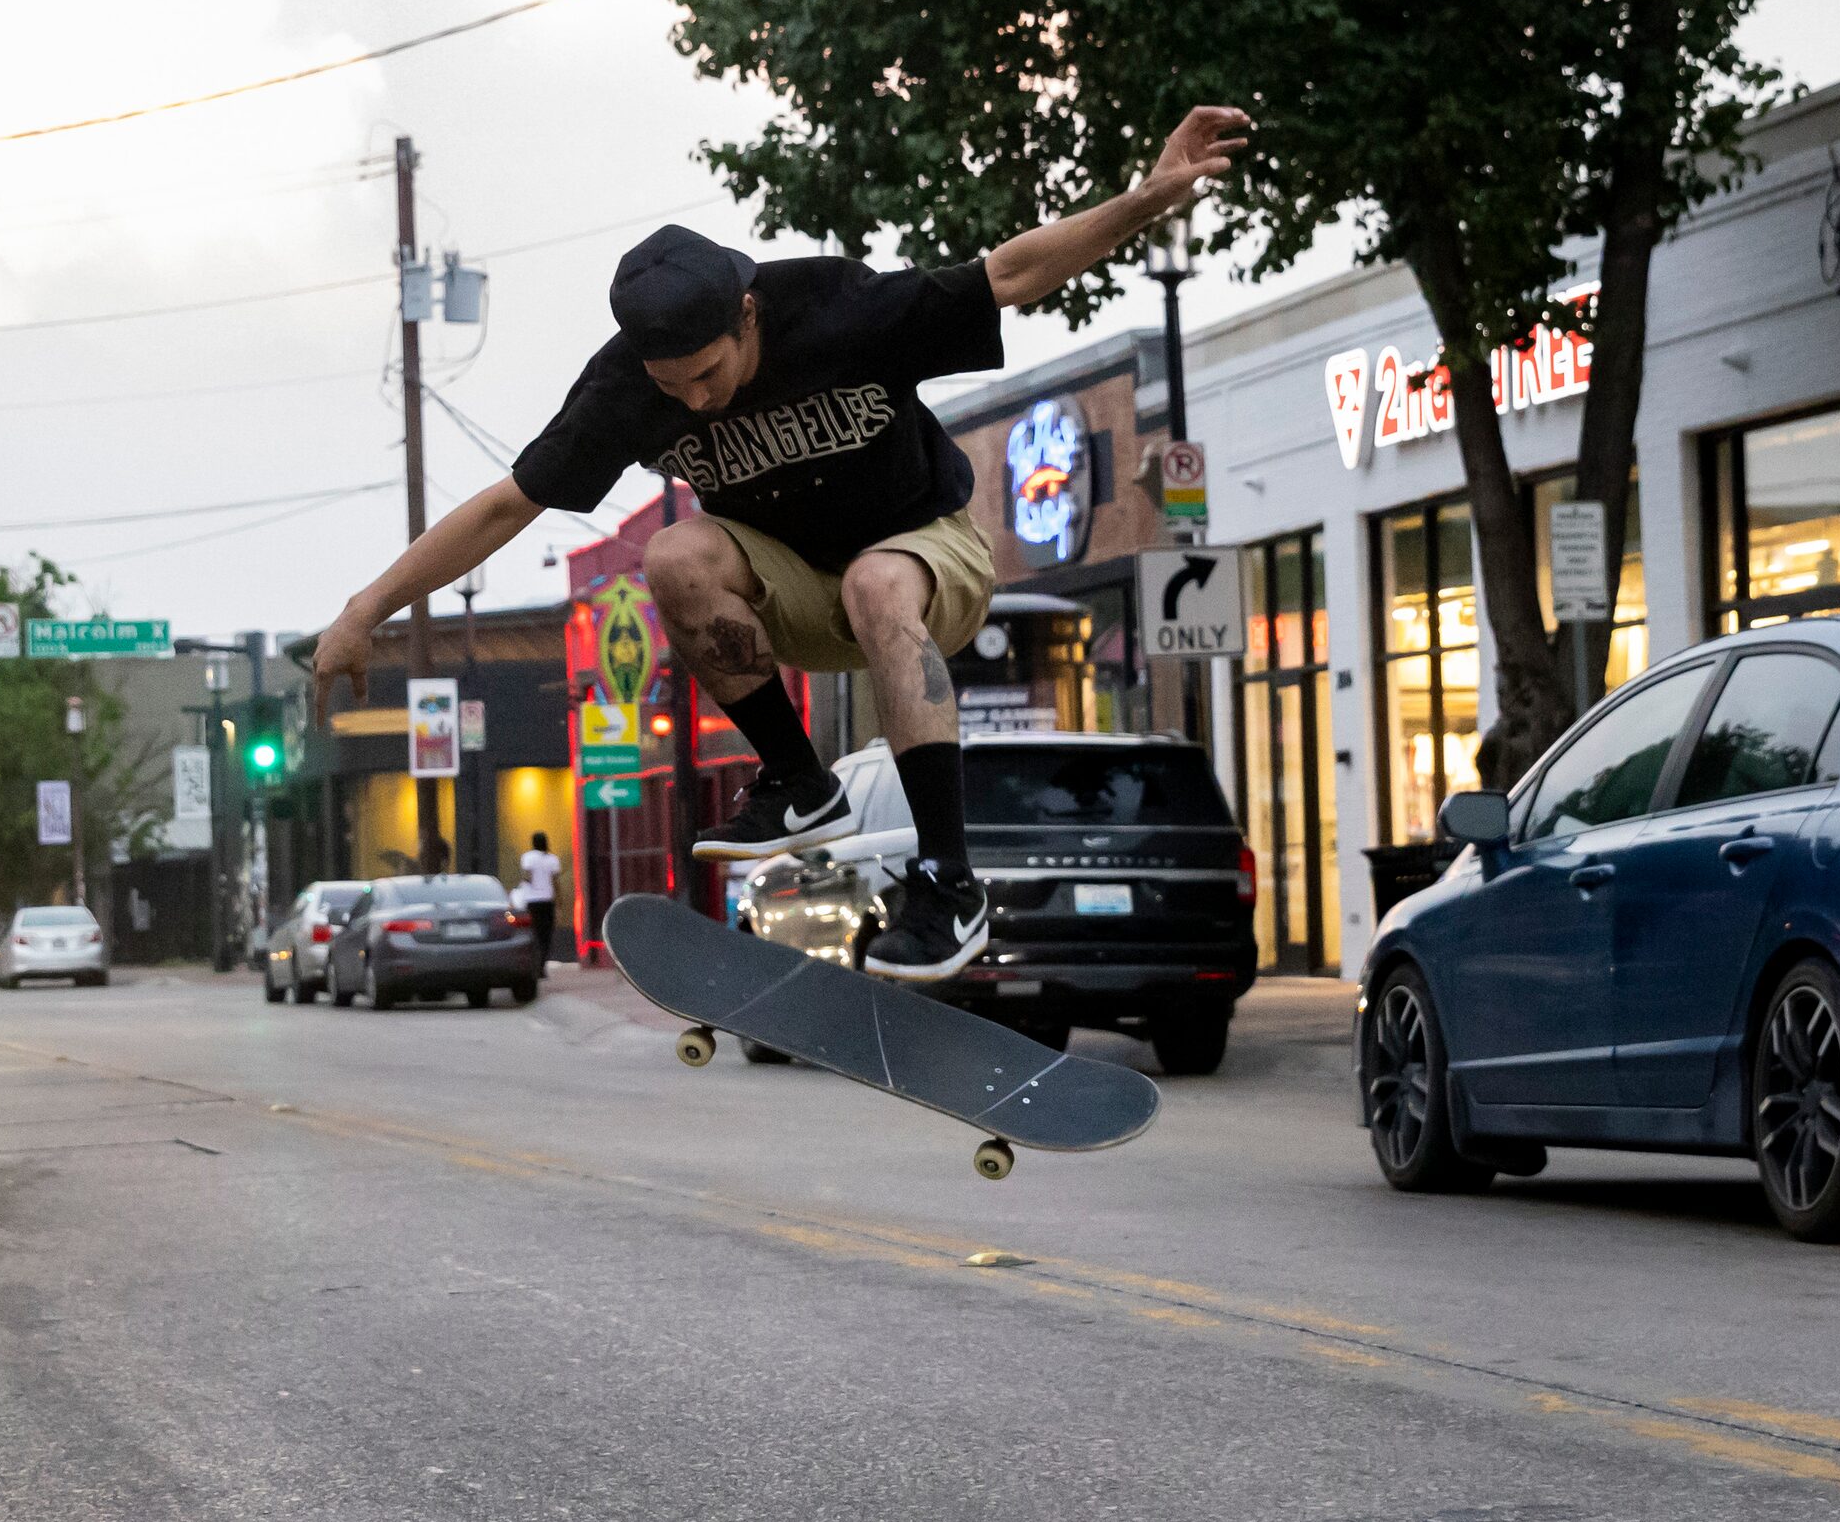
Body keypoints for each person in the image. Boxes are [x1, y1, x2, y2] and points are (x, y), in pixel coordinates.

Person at [306, 106, 1248, 980]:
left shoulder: (841, 310)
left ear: (747, 314)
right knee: (672, 556)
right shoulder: (627, 389)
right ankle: (799, 781)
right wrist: (364, 609)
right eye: (671, 386)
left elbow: (1010, 272)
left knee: (879, 582)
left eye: (709, 374)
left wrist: (1151, 195)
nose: (694, 401)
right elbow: (506, 507)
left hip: (928, 556)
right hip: (794, 585)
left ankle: (950, 885)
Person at [515, 831, 562, 970]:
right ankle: (542, 964)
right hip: (547, 900)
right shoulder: (552, 859)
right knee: (546, 934)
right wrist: (559, 903)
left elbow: (527, 876)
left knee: (534, 932)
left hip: (532, 901)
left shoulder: (528, 857)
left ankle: (535, 964)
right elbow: (555, 883)